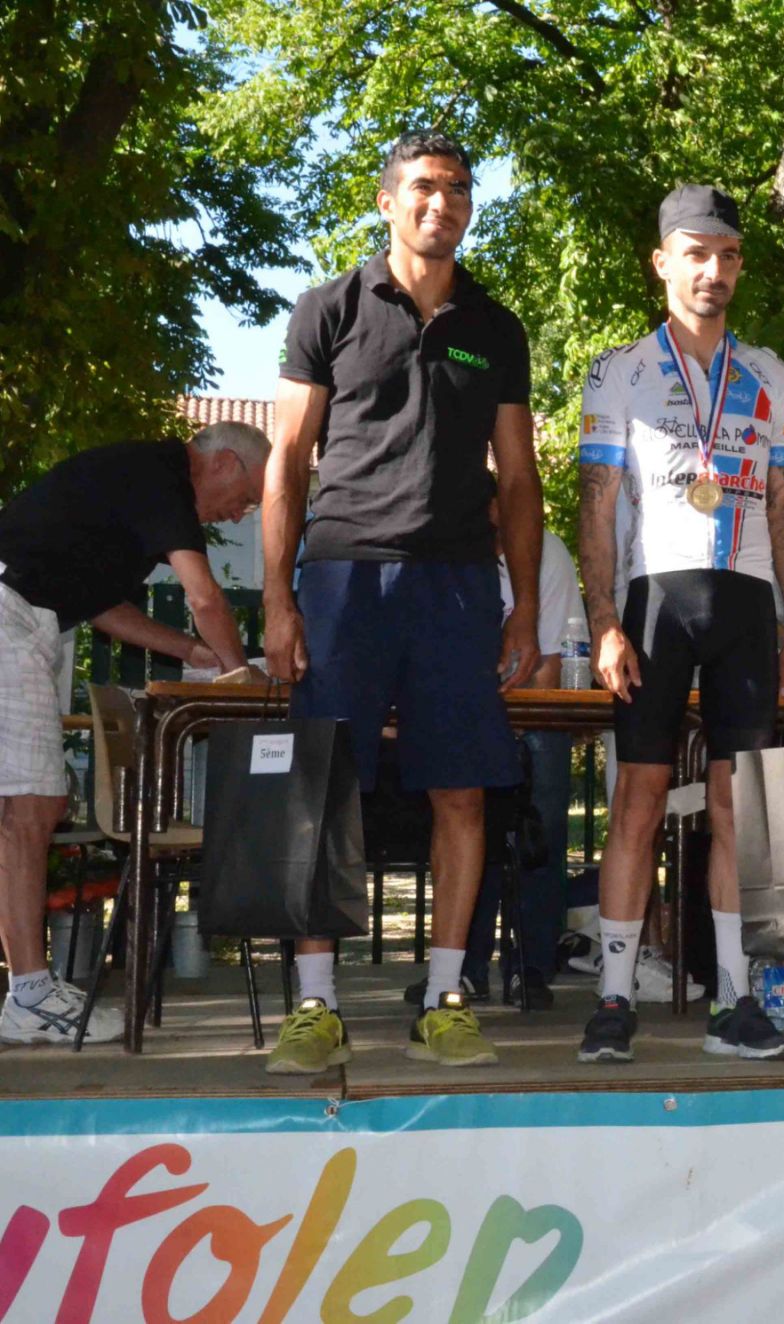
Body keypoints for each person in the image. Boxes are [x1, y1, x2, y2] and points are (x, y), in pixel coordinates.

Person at [262, 130, 541, 1074]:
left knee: (461, 791)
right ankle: (316, 1006)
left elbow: (519, 479)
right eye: (424, 186)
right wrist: (278, 600)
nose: (442, 202)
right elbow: (286, 461)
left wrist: (525, 606)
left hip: (458, 584)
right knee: (325, 786)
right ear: (388, 201)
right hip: (343, 576)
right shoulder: (329, 308)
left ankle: (446, 999)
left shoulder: (495, 327)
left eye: (458, 188)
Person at [575, 183, 784, 1064]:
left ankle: (734, 1001)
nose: (714, 271)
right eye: (697, 254)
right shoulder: (619, 371)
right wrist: (605, 620)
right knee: (636, 799)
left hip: (747, 604)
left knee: (735, 809)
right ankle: (612, 997)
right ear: (663, 262)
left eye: (728, 256)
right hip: (655, 604)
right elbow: (596, 505)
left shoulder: (775, 375)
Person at [0, 424, 266, 1045]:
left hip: (26, 616)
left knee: (27, 808)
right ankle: (29, 995)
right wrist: (240, 677)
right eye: (248, 497)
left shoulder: (134, 489)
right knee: (30, 807)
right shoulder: (161, 476)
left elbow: (104, 609)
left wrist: (195, 654)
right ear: (225, 463)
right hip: (9, 612)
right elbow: (204, 597)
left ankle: (28, 992)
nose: (241, 513)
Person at [406, 510, 584, 1010]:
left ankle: (530, 967)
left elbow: (554, 663)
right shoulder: (444, 550)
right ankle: (464, 966)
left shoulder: (549, 552)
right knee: (466, 812)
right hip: (469, 707)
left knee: (543, 824)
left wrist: (511, 716)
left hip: (531, 709)